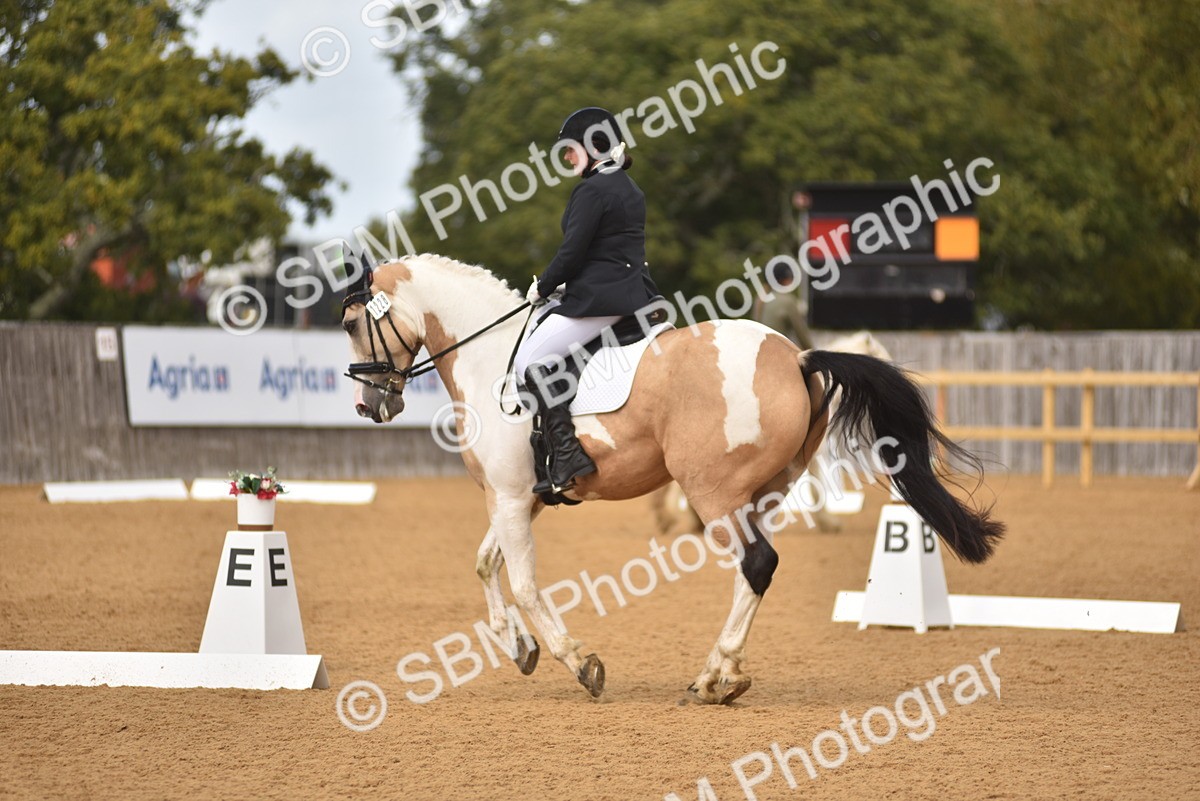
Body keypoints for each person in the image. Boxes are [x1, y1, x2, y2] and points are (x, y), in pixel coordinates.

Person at [515, 107, 660, 496]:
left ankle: (566, 455)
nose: (565, 157)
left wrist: (544, 286)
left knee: (530, 361)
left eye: (570, 149)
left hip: (601, 300)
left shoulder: (592, 190)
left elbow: (572, 253)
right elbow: (608, 253)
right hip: (633, 293)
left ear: (593, 146)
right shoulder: (629, 187)